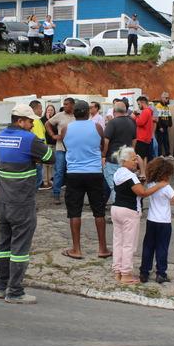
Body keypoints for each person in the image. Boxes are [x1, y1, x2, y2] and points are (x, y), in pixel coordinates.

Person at [0, 104, 54, 304]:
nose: (31, 125)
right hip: (22, 201)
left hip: (3, 200)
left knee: (4, 244)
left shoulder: (2, 136)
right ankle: (15, 291)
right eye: (29, 122)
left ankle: (0, 287)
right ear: (20, 120)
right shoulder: (28, 139)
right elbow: (50, 157)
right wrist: (34, 158)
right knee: (20, 247)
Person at [62, 100, 111, 259]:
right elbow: (102, 146)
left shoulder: (66, 129)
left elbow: (66, 146)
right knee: (99, 211)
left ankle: (76, 249)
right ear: (87, 112)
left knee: (74, 211)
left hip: (74, 173)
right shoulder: (96, 127)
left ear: (74, 112)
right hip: (94, 172)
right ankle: (102, 248)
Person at [110, 146, 166, 283]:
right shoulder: (130, 176)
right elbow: (142, 192)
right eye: (134, 159)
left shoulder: (118, 173)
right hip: (129, 211)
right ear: (125, 160)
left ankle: (118, 270)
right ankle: (126, 274)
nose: (136, 161)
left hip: (116, 209)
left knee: (118, 242)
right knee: (129, 244)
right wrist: (160, 185)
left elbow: (139, 182)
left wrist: (141, 168)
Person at [138, 158, 174, 284]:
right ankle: (161, 273)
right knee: (162, 247)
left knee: (148, 246)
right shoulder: (166, 187)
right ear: (166, 174)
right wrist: (168, 202)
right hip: (164, 221)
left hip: (151, 220)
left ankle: (144, 272)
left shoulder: (151, 185)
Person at [103, 101, 137, 204]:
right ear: (126, 110)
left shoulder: (112, 123)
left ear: (114, 111)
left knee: (114, 186)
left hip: (113, 159)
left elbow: (106, 141)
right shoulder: (132, 122)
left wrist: (103, 155)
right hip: (126, 160)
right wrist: (131, 153)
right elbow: (134, 140)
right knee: (124, 185)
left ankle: (118, 209)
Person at [46, 97, 76, 205]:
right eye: (64, 104)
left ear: (73, 105)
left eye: (67, 104)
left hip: (73, 149)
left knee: (71, 172)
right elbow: (48, 124)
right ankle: (56, 194)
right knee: (59, 171)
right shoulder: (59, 115)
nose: (65, 106)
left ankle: (71, 194)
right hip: (60, 148)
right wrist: (53, 135)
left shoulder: (77, 116)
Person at [28, 100, 48, 190]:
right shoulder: (36, 120)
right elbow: (40, 139)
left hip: (32, 154)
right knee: (37, 179)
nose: (42, 111)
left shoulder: (32, 120)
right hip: (37, 155)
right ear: (33, 109)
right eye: (40, 109)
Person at [134, 96, 155, 167]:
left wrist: (136, 116)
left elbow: (140, 122)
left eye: (139, 104)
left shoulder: (145, 111)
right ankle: (144, 172)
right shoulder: (149, 111)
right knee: (144, 156)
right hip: (146, 138)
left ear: (143, 103)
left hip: (142, 138)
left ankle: (142, 173)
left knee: (139, 156)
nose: (138, 106)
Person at [41, 103, 57, 190]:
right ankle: (45, 181)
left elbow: (56, 130)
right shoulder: (42, 120)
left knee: (51, 163)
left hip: (54, 143)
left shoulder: (56, 119)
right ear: (46, 111)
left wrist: (51, 120)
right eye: (48, 110)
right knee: (45, 163)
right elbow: (44, 130)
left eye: (51, 110)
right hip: (46, 143)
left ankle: (50, 179)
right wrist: (47, 120)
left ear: (54, 111)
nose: (50, 111)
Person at [154, 92, 173, 158]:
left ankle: (168, 154)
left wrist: (170, 123)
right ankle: (160, 154)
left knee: (166, 140)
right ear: (162, 98)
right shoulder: (158, 106)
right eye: (166, 98)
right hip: (160, 126)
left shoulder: (167, 106)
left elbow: (169, 116)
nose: (167, 99)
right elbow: (157, 117)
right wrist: (160, 127)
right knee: (160, 141)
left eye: (168, 98)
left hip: (165, 126)